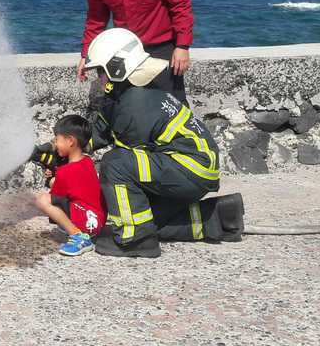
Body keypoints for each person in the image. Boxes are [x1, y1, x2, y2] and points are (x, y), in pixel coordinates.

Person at [82, 28, 243, 258]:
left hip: (188, 167)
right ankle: (220, 216)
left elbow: (124, 160)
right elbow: (100, 132)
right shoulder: (130, 94)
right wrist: (61, 149)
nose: (99, 77)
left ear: (117, 68)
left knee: (115, 163)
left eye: (100, 70)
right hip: (193, 167)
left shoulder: (134, 103)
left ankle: (136, 240)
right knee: (148, 218)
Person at [32, 115, 106, 256]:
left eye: (57, 140)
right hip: (98, 221)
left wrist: (51, 180)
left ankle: (78, 237)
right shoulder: (87, 161)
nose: (55, 143)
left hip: (87, 224)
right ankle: (81, 231)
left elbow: (54, 196)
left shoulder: (65, 171)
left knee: (42, 199)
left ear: (70, 141)